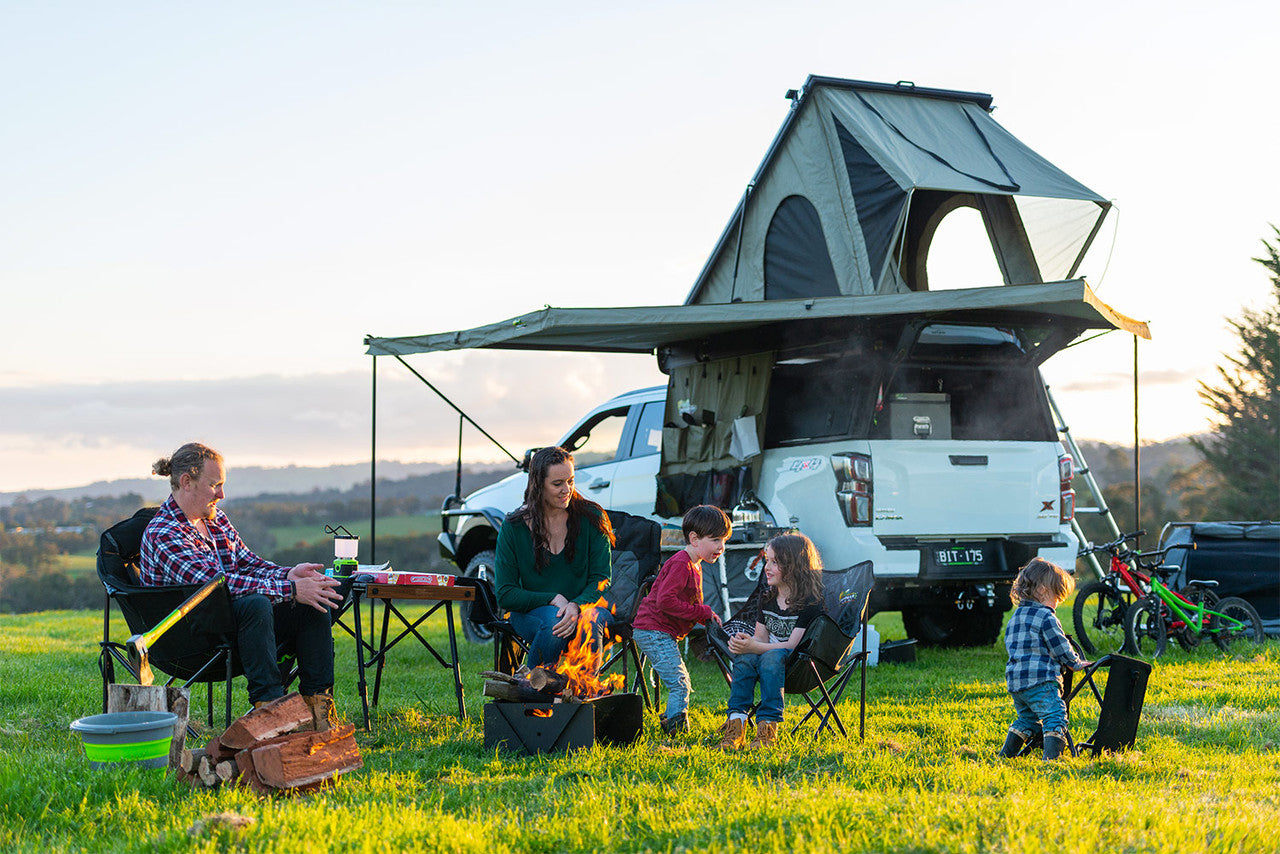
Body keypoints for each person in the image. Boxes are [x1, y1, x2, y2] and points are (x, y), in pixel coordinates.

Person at [139, 442, 344, 729]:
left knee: (313, 603)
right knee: (256, 603)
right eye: (215, 485)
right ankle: (271, 710)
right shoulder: (165, 532)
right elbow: (217, 586)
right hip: (190, 639)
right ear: (187, 482)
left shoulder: (215, 521)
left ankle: (317, 709)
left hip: (234, 628)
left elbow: (249, 564)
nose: (221, 495)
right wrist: (291, 590)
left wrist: (290, 576)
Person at [494, 446, 616, 670]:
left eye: (570, 481)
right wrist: (552, 598)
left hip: (588, 608)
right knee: (553, 621)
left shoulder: (592, 517)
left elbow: (602, 578)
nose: (566, 490)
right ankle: (535, 694)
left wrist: (576, 605)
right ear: (538, 485)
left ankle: (579, 698)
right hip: (532, 613)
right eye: (557, 484)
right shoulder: (514, 527)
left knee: (591, 620)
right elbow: (505, 593)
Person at [720, 532, 825, 749]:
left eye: (774, 562)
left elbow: (791, 646)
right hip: (768, 656)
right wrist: (745, 643)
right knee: (746, 656)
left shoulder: (810, 602)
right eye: (767, 560)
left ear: (794, 566)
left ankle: (767, 728)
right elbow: (759, 638)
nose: (766, 567)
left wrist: (756, 646)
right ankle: (736, 724)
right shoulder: (767, 598)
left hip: (798, 663)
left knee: (771, 656)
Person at [631, 505, 729, 735]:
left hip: (660, 631)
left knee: (679, 679)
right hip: (653, 630)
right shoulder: (680, 564)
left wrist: (706, 616)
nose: (721, 547)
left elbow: (691, 605)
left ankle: (669, 717)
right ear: (694, 539)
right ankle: (676, 729)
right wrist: (700, 612)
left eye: (723, 540)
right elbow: (666, 601)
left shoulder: (695, 564)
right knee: (679, 683)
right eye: (715, 540)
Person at [999, 557, 1091, 761]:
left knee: (1028, 719)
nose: (1057, 604)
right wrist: (1075, 663)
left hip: (1016, 682)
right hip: (1041, 681)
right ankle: (1051, 760)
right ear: (1042, 590)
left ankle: (1005, 757)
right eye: (1057, 597)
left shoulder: (1016, 617)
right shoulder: (1046, 617)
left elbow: (1011, 645)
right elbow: (1059, 644)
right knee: (1055, 716)